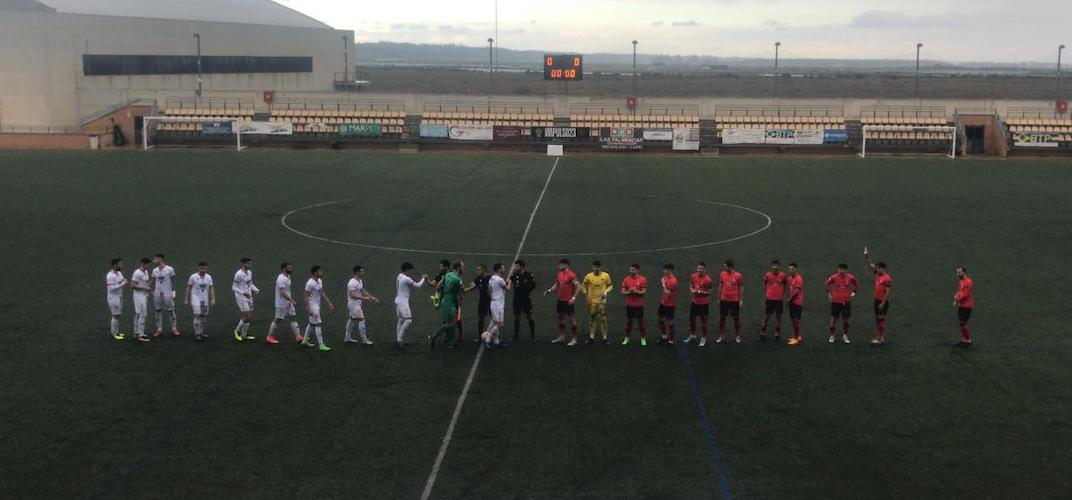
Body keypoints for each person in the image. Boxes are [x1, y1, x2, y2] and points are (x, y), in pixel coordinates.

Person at [544, 259, 581, 345]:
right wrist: (549, 290)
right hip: (560, 300)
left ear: (566, 265)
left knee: (572, 320)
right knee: (560, 318)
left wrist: (573, 298)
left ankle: (574, 339)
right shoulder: (560, 274)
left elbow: (579, 286)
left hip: (568, 301)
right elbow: (557, 285)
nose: (558, 267)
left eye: (560, 265)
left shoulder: (571, 275)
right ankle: (561, 337)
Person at [266, 262, 303, 345]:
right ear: (284, 269)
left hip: (288, 302)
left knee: (293, 317)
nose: (291, 269)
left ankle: (298, 336)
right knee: (278, 319)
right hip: (281, 304)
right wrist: (291, 300)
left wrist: (289, 301)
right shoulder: (281, 279)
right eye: (289, 268)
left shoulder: (288, 276)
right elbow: (282, 292)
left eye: (291, 267)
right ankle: (269, 337)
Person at [430, 261, 465, 349]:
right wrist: (473, 287)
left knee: (449, 321)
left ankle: (452, 342)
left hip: (444, 300)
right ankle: (433, 336)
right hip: (451, 302)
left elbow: (438, 286)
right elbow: (463, 292)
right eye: (462, 267)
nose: (463, 268)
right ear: (458, 268)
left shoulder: (448, 274)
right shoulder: (458, 279)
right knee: (452, 323)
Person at [394, 262, 428, 350]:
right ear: (407, 270)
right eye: (411, 270)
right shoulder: (406, 279)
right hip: (403, 302)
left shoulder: (399, 276)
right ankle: (399, 339)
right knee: (408, 320)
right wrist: (423, 278)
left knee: (401, 320)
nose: (412, 271)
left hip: (398, 300)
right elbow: (418, 286)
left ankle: (398, 339)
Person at [301, 266, 335, 352]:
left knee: (312, 323)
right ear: (315, 273)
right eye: (320, 271)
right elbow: (305, 295)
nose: (321, 272)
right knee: (318, 324)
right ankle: (321, 345)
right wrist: (308, 308)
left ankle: (304, 341)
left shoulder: (319, 281)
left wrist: (329, 302)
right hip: (313, 306)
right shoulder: (310, 283)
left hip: (317, 305)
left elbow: (322, 292)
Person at [824, 263, 860, 344]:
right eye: (839, 269)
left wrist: (854, 292)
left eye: (842, 269)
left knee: (846, 320)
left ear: (846, 270)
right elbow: (826, 284)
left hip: (846, 302)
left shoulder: (850, 277)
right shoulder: (834, 277)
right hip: (836, 301)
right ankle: (832, 335)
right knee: (833, 319)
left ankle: (845, 335)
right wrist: (829, 294)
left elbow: (857, 284)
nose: (840, 271)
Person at [864, 247, 893, 345]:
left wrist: (883, 303)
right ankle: (881, 336)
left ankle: (879, 338)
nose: (876, 269)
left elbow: (888, 292)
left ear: (883, 268)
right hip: (877, 300)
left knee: (881, 319)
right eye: (877, 268)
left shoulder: (887, 278)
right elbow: (871, 265)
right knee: (878, 319)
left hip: (882, 302)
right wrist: (866, 256)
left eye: (878, 268)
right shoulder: (878, 274)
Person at [581, 260, 613, 346]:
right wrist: (586, 295)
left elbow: (610, 285)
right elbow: (583, 286)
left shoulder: (606, 275)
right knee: (592, 318)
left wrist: (606, 292)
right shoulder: (588, 276)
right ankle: (591, 337)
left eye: (598, 267)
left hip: (601, 301)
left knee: (603, 319)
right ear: (592, 267)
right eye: (595, 267)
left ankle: (605, 338)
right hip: (592, 301)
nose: (596, 269)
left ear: (600, 267)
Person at [345, 265, 379, 345]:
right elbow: (352, 295)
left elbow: (362, 290)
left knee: (352, 319)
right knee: (361, 320)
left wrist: (371, 297)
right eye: (362, 271)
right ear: (357, 272)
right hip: (353, 305)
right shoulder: (352, 283)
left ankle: (347, 337)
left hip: (356, 304)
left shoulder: (359, 281)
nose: (363, 273)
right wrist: (365, 298)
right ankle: (364, 339)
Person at [184, 262, 216, 341]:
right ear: (198, 268)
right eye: (201, 268)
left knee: (203, 315)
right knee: (197, 315)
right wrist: (186, 298)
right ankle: (197, 333)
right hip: (195, 298)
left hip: (204, 299)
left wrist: (213, 298)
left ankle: (201, 332)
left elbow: (211, 288)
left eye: (205, 268)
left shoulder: (208, 277)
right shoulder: (193, 277)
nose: (203, 270)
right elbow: (188, 287)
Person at [150, 254, 180, 338]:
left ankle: (174, 328)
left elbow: (174, 281)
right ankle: (159, 329)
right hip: (157, 294)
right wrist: (150, 291)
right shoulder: (154, 270)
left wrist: (173, 292)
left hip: (168, 294)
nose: (154, 260)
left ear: (160, 259)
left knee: (171, 311)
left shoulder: (170, 269)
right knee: (158, 311)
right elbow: (152, 281)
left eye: (155, 258)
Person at [483, 263, 511, 349]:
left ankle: (496, 342)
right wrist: (510, 282)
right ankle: (488, 339)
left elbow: (488, 290)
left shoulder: (491, 278)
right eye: (503, 268)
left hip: (493, 303)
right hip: (498, 304)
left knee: (496, 324)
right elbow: (508, 289)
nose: (504, 269)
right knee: (499, 324)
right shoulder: (500, 279)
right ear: (499, 269)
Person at [759, 260, 788, 342]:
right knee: (766, 316)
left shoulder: (783, 276)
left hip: (779, 300)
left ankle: (777, 333)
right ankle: (762, 332)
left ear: (779, 267)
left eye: (776, 265)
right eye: (774, 265)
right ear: (771, 266)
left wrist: (782, 294)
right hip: (770, 300)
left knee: (778, 317)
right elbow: (765, 283)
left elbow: (785, 284)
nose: (775, 267)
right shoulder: (767, 275)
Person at [231, 258, 259, 342]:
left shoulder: (249, 272)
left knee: (249, 317)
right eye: (248, 264)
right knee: (246, 316)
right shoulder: (238, 274)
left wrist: (255, 289)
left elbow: (250, 283)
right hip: (241, 297)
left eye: (250, 263)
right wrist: (243, 293)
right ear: (243, 264)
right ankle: (237, 331)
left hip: (249, 296)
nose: (250, 265)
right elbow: (234, 287)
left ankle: (244, 335)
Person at [621, 264, 648, 347]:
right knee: (629, 322)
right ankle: (627, 338)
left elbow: (644, 291)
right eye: (630, 269)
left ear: (637, 270)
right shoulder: (626, 279)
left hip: (639, 305)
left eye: (633, 269)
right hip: (629, 305)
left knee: (640, 322)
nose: (631, 271)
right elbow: (622, 291)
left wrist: (635, 291)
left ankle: (643, 338)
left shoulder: (643, 280)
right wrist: (629, 292)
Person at [686, 262, 714, 346]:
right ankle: (692, 335)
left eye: (702, 269)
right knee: (692, 319)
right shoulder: (693, 276)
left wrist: (701, 292)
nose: (700, 270)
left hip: (703, 304)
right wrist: (691, 290)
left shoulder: (708, 280)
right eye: (699, 268)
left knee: (703, 321)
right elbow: (691, 285)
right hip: (694, 302)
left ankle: (703, 337)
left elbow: (709, 292)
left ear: (705, 269)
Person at [717, 259, 744, 344]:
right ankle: (721, 336)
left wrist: (741, 300)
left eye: (725, 266)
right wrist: (718, 299)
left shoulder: (738, 276)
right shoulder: (722, 274)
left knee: (736, 319)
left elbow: (741, 288)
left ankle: (737, 335)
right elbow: (720, 286)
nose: (724, 267)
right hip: (724, 300)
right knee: (722, 318)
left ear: (730, 267)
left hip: (734, 301)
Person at [510, 260, 537, 341]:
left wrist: (528, 291)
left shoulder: (528, 275)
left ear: (522, 267)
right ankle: (516, 335)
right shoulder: (514, 275)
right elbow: (509, 282)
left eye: (517, 266)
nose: (515, 267)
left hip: (526, 299)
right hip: (517, 300)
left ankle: (532, 336)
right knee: (517, 316)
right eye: (515, 266)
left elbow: (533, 284)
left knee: (529, 316)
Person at [466, 264, 491, 343]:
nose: (477, 271)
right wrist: (464, 290)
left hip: (491, 301)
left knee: (494, 319)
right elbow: (473, 286)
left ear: (484, 270)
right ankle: (480, 336)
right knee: (481, 319)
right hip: (482, 301)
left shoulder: (490, 278)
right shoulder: (478, 279)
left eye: (479, 270)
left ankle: (494, 336)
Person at [131, 258, 152, 342]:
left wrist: (148, 289)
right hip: (138, 296)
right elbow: (132, 285)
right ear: (143, 264)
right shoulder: (137, 273)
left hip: (144, 296)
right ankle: (141, 335)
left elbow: (146, 283)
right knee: (142, 314)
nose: (149, 267)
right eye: (148, 265)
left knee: (138, 314)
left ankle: (136, 332)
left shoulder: (146, 272)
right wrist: (144, 287)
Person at [106, 258, 127, 341]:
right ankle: (114, 334)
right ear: (115, 265)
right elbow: (111, 288)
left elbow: (122, 279)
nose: (122, 266)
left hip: (119, 297)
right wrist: (122, 284)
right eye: (120, 264)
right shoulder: (110, 276)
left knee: (118, 315)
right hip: (113, 298)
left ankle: (116, 332)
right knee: (115, 315)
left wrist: (123, 281)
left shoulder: (119, 273)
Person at [954, 267, 974, 348]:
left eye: (959, 272)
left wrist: (957, 298)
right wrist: (956, 297)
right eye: (957, 272)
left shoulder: (968, 282)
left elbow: (965, 294)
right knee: (961, 324)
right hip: (961, 306)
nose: (958, 274)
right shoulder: (961, 281)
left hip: (967, 306)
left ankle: (968, 340)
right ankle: (963, 340)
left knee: (963, 323)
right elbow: (959, 291)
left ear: (964, 272)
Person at [657, 263, 678, 345]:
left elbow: (668, 293)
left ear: (670, 270)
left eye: (665, 269)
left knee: (670, 322)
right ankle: (664, 336)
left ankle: (671, 341)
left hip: (670, 305)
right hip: (663, 303)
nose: (663, 271)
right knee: (659, 319)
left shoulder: (673, 281)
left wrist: (663, 284)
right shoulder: (665, 277)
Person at [786, 263, 805, 346]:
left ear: (796, 269)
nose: (790, 271)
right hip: (792, 302)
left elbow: (797, 291)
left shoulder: (799, 279)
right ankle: (797, 336)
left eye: (792, 269)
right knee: (793, 320)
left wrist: (789, 299)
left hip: (797, 303)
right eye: (789, 269)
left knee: (795, 320)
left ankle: (796, 339)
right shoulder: (790, 278)